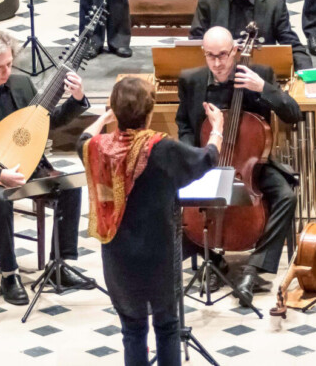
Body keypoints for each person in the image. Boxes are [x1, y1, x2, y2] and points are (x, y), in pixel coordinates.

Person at [78, 78, 221, 366]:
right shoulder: (162, 149)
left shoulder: (98, 149)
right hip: (159, 253)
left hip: (118, 254)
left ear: (116, 113)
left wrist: (103, 119)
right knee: (167, 327)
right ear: (149, 114)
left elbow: (82, 139)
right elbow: (207, 158)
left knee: (132, 330)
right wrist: (217, 129)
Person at [0, 30, 92, 305]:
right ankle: (9, 274)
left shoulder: (22, 85)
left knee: (71, 187)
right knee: (0, 199)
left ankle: (59, 266)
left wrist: (76, 99)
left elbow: (48, 123)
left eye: (9, 64)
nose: (6, 71)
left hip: (30, 167)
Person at [175, 26, 303, 305]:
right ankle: (213, 259)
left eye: (223, 55)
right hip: (207, 160)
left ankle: (255, 267)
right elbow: (184, 124)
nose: (218, 63)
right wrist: (194, 154)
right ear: (203, 53)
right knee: (175, 198)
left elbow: (294, 114)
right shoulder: (190, 81)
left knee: (285, 196)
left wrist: (263, 89)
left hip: (251, 163)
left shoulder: (260, 75)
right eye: (211, 56)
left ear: (235, 51)